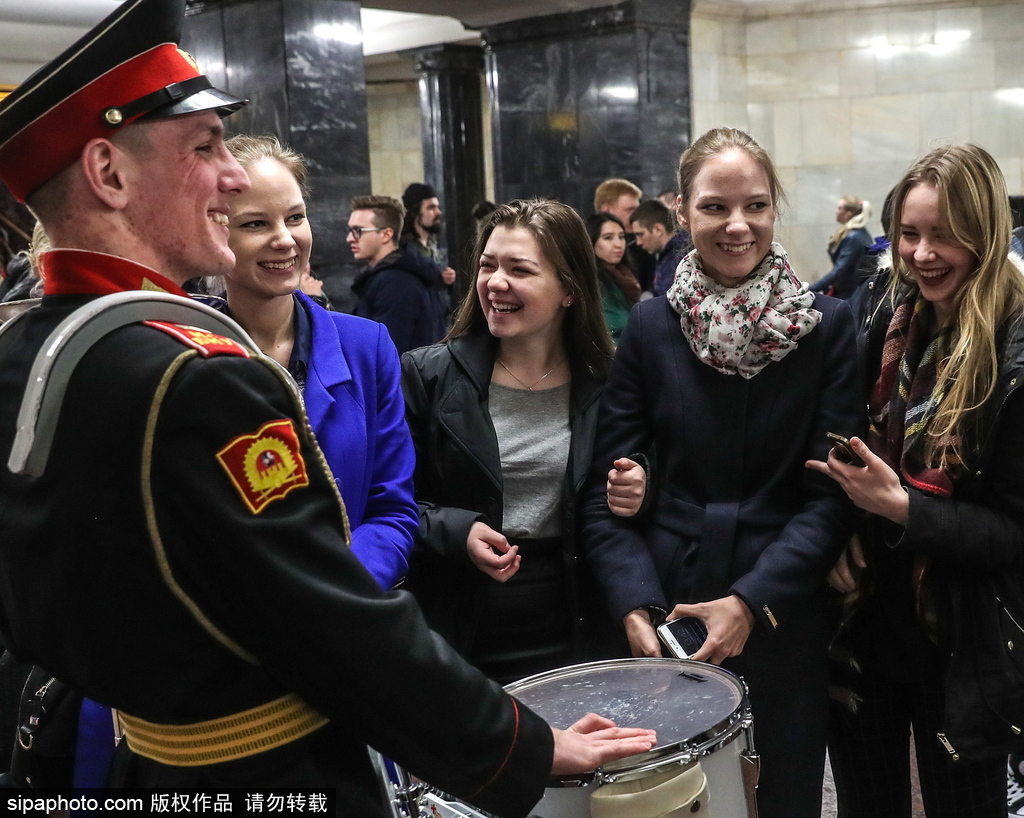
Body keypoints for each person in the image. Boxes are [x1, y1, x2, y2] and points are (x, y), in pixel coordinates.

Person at [0, 0, 657, 812]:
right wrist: (521, 743)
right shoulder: (197, 376)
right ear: (108, 173)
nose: (231, 174)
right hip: (270, 772)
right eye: (205, 148)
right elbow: (331, 623)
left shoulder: (33, 347)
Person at [583, 127, 862, 818]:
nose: (738, 225)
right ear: (682, 212)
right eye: (715, 207)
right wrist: (635, 604)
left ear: (774, 209)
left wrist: (752, 602)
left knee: (784, 794)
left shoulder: (828, 328)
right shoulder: (651, 326)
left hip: (779, 609)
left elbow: (831, 497)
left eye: (756, 206)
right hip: (668, 609)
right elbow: (604, 490)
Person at [808, 144, 1024, 818]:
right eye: (909, 233)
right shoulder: (881, 313)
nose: (922, 254)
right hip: (863, 627)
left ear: (985, 235)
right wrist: (838, 533)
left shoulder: (1012, 351)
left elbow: (1013, 536)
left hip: (960, 642)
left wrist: (903, 509)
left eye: (944, 235)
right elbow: (836, 439)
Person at [401, 199, 647, 685]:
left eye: (519, 270)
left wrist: (641, 482)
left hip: (578, 621)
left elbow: (647, 485)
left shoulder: (610, 380)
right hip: (459, 628)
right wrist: (458, 531)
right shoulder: (426, 374)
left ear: (569, 290)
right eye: (487, 266)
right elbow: (390, 503)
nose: (495, 283)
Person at [221, 134, 417, 590]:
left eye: (295, 217)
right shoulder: (182, 351)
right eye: (255, 224)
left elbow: (392, 508)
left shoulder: (366, 346)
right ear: (214, 229)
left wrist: (340, 593)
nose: (285, 239)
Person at [350, 194, 448, 354]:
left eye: (358, 231)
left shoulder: (396, 283)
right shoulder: (394, 274)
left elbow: (386, 354)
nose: (350, 238)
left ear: (386, 235)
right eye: (349, 230)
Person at [586, 213, 641, 344]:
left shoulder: (625, 275)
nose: (618, 244)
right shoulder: (592, 282)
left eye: (621, 237)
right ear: (591, 242)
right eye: (608, 238)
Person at [811, 195, 873, 299]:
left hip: (849, 295)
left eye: (839, 208)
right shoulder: (859, 233)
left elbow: (839, 270)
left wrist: (811, 289)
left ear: (849, 214)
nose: (836, 211)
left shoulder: (853, 237)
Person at [630, 199, 691, 297]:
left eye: (640, 234)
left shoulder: (678, 258)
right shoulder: (671, 254)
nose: (638, 242)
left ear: (658, 229)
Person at [401, 182, 457, 287]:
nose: (438, 212)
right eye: (431, 207)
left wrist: (447, 277)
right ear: (415, 212)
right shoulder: (405, 249)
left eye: (437, 207)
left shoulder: (432, 243)